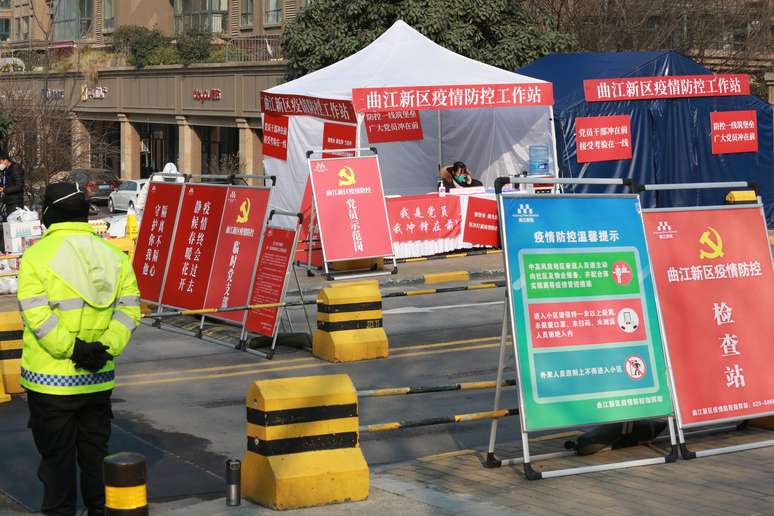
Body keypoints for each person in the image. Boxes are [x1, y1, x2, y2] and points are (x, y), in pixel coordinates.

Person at [17, 182, 141, 516]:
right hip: (97, 380)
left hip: (50, 381)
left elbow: (36, 314)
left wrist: (73, 349)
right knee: (96, 458)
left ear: (49, 213)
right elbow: (130, 309)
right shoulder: (114, 256)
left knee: (57, 465)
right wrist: (104, 348)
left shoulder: (36, 257)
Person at [0, 149, 26, 215]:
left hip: (15, 203)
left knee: (14, 223)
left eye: (0, 162)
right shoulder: (5, 170)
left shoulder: (15, 168)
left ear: (5, 160)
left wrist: (4, 190)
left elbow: (19, 186)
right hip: (9, 201)